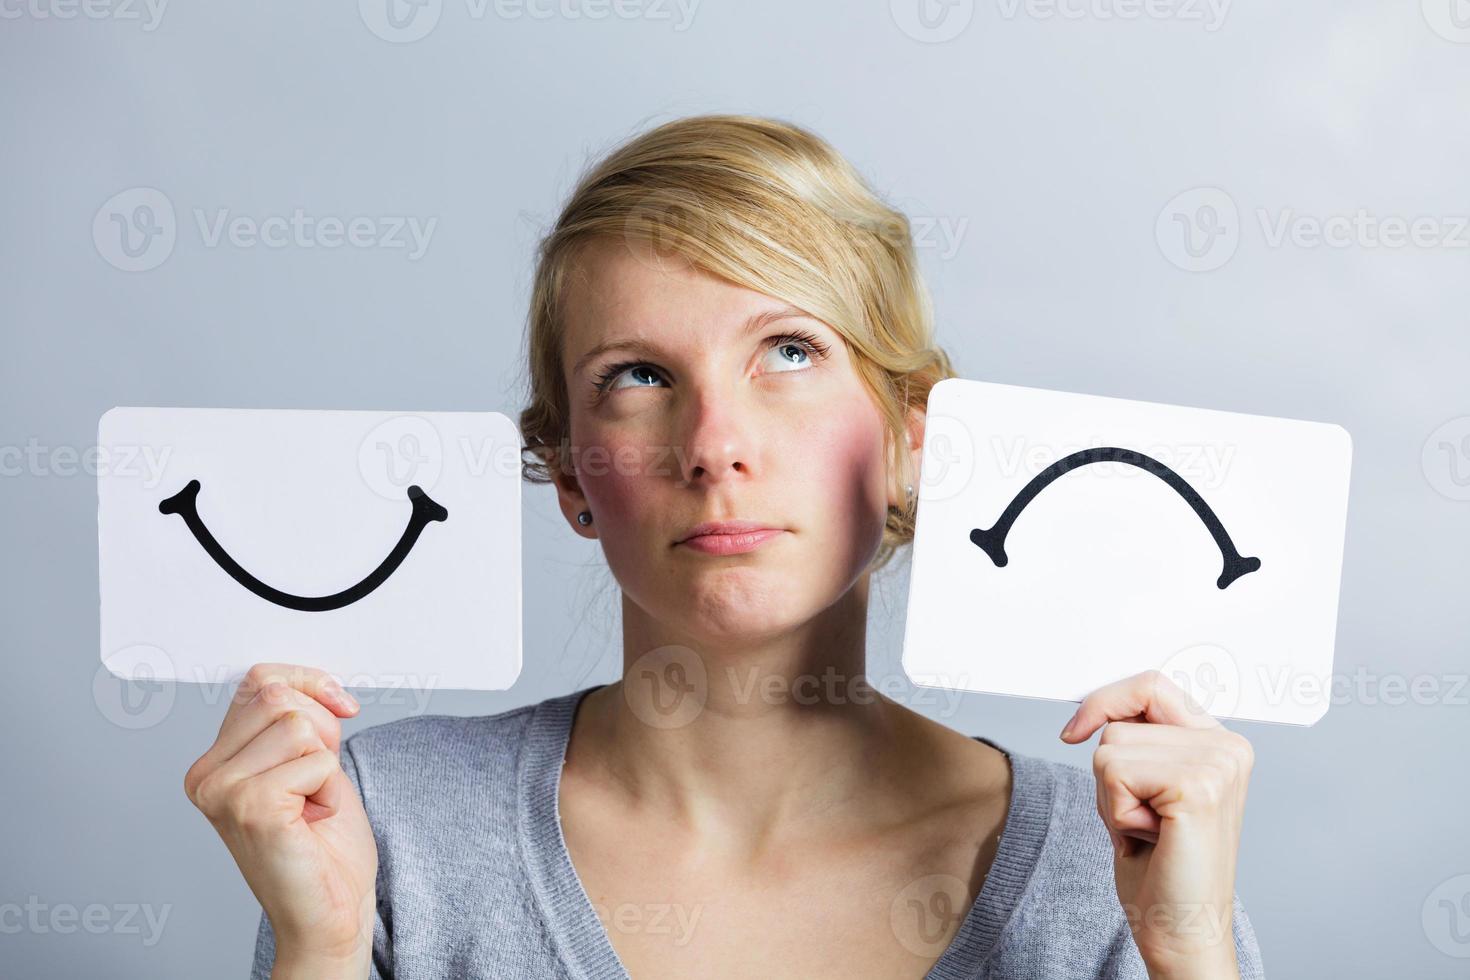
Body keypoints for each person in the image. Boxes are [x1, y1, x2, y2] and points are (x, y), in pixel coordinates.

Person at [184, 113, 1265, 979]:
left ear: (911, 437)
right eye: (637, 377)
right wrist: (319, 951)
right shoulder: (387, 828)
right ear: (569, 472)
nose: (714, 445)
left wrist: (1192, 952)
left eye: (789, 350)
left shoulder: (1115, 863)